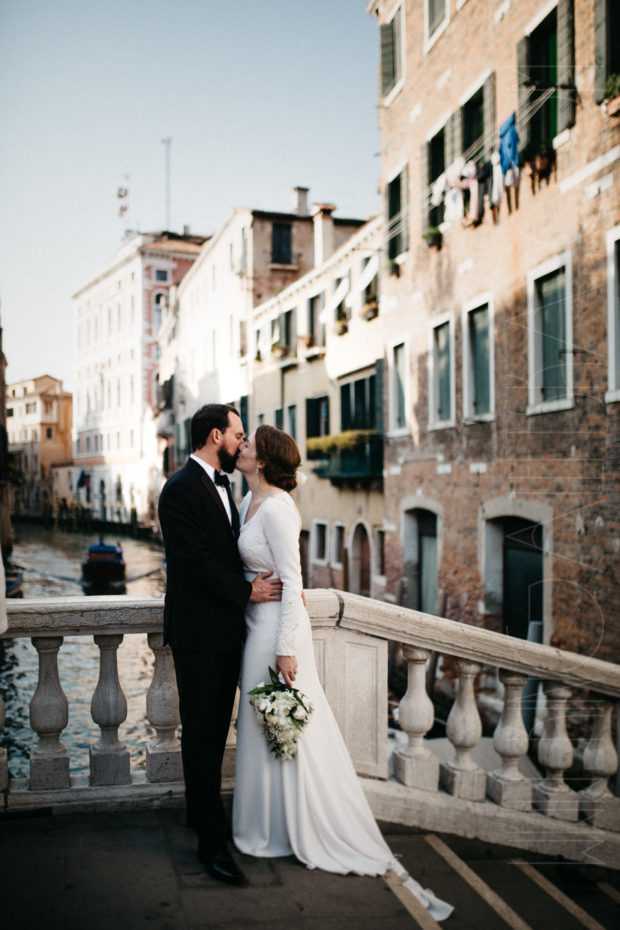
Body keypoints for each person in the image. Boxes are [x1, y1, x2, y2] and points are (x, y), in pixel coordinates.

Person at [232, 425, 453, 921]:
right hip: (252, 628)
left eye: (248, 444)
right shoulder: (247, 502)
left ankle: (296, 827)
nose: (239, 446)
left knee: (286, 727)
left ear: (263, 459)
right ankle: (267, 825)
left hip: (274, 637)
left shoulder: (279, 510)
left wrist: (287, 648)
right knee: (262, 726)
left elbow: (294, 581)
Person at [157, 404, 282, 887]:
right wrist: (246, 591)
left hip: (228, 635)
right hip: (199, 638)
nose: (242, 442)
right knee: (204, 740)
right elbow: (189, 562)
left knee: (211, 736)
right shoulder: (179, 489)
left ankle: (199, 816)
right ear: (216, 436)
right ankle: (212, 847)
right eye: (237, 434)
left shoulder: (226, 486)